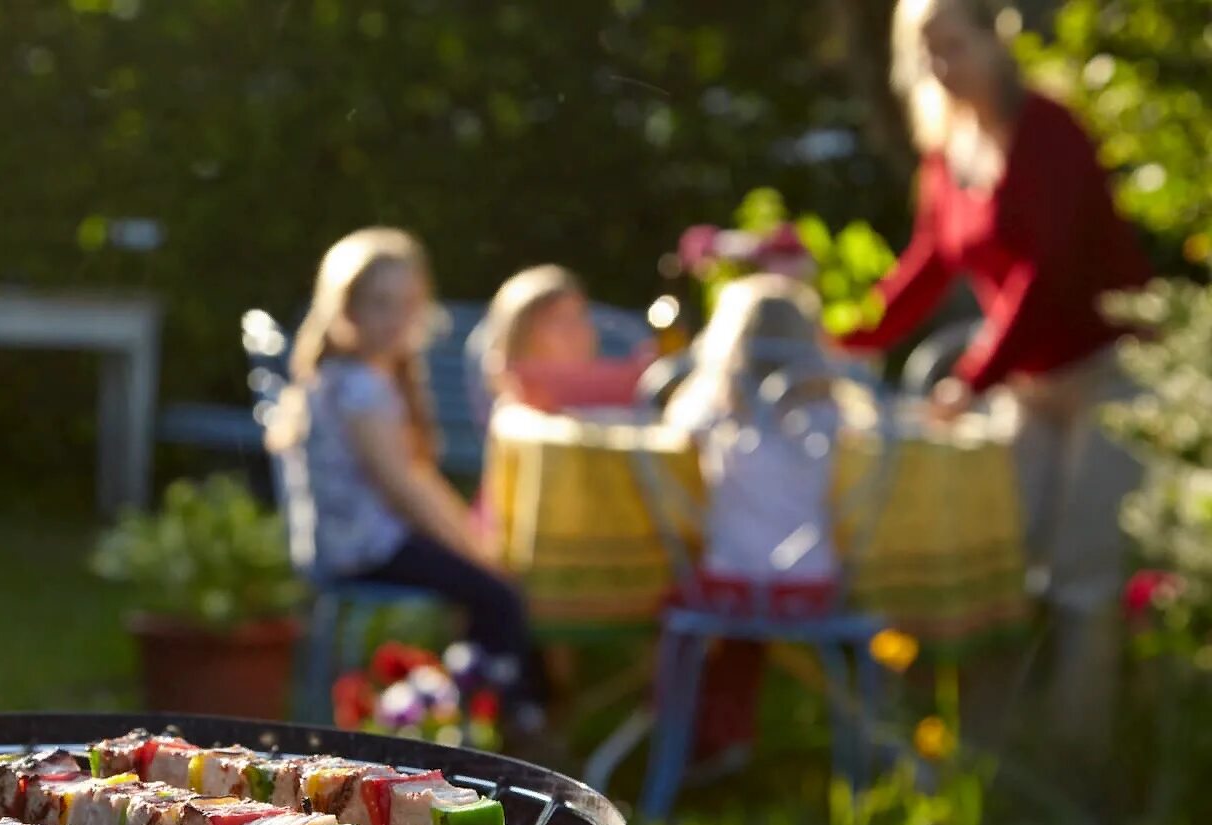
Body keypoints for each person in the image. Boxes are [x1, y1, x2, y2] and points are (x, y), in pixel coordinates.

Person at [839, 0, 1151, 768]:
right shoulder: (948, 149)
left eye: (955, 44)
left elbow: (1046, 274)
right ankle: (998, 752)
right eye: (927, 51)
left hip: (1108, 374)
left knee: (1084, 578)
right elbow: (926, 267)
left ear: (994, 40)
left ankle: (1079, 762)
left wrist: (970, 379)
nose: (942, 64)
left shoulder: (1048, 131)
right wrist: (841, 338)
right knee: (1005, 564)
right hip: (1029, 387)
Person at [266, 228, 545, 727]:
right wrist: (476, 549)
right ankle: (505, 718)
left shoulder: (351, 378)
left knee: (484, 581)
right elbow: (405, 489)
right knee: (497, 594)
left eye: (408, 303)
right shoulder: (360, 389)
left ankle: (469, 708)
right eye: (381, 303)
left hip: (350, 544)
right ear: (344, 309)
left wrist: (471, 542)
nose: (396, 319)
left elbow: (416, 479)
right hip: (364, 550)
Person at [664, 275, 856, 769]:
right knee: (749, 614)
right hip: (811, 584)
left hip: (728, 582)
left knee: (670, 599)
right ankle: (726, 731)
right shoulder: (832, 409)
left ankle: (677, 726)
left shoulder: (709, 407)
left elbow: (667, 433)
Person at [474, 265, 657, 421]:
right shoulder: (516, 413)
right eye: (557, 321)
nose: (576, 331)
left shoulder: (605, 399)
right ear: (518, 338)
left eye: (580, 317)